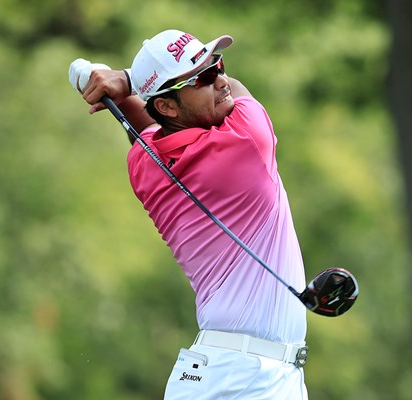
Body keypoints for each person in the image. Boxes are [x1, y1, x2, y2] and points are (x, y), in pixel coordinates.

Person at [69, 29, 309, 399]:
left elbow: (147, 127)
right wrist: (126, 78)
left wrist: (132, 83)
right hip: (246, 376)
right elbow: (236, 91)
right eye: (204, 78)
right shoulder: (247, 140)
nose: (222, 81)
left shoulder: (144, 164)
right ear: (166, 105)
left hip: (227, 371)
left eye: (218, 65)